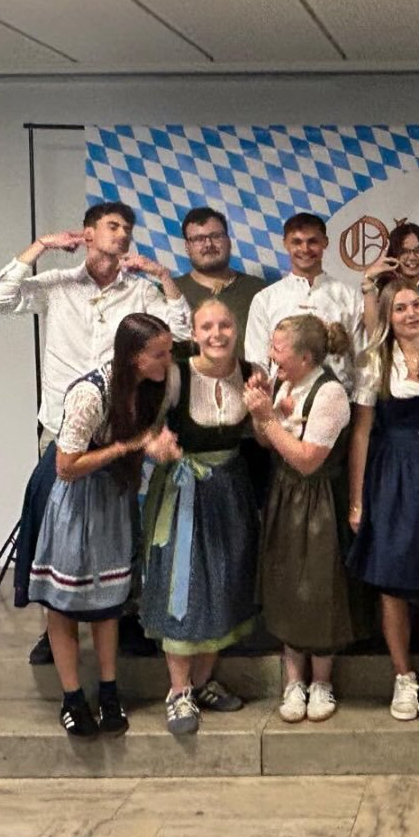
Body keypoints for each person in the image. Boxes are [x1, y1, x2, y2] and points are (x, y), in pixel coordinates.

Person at [0, 200, 191, 664]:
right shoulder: (59, 285)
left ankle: (123, 615)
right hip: (62, 428)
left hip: (121, 429)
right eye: (113, 226)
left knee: (119, 526)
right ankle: (55, 624)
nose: (123, 235)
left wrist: (163, 276)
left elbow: (179, 331)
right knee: (57, 530)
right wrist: (40, 246)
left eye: (128, 229)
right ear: (87, 233)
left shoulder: (139, 291)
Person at [14, 313, 178, 737]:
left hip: (109, 496)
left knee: (108, 601)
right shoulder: (91, 394)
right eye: (159, 354)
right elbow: (66, 465)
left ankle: (108, 691)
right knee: (63, 602)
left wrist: (154, 447)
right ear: (135, 357)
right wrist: (129, 446)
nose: (168, 360)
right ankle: (72, 697)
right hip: (69, 496)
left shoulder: (149, 388)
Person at [140, 299, 261, 735]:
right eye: (207, 326)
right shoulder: (176, 375)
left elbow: (260, 432)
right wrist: (154, 445)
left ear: (236, 328)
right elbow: (143, 424)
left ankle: (204, 681)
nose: (216, 334)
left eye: (224, 325)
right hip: (184, 490)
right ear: (193, 332)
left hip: (230, 489)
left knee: (224, 583)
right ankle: (179, 692)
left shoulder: (251, 373)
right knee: (185, 586)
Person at [347, 279, 419, 720]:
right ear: (387, 316)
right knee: (392, 581)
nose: (410, 313)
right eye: (400, 308)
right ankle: (403, 676)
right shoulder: (374, 361)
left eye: (416, 305)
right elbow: (361, 433)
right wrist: (357, 499)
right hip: (393, 470)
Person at [244, 315, 367, 723]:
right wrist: (262, 412)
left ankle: (322, 682)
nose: (271, 356)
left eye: (278, 349)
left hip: (318, 502)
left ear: (305, 357)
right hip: (285, 495)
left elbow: (307, 460)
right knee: (285, 587)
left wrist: (267, 418)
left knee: (318, 588)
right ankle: (293, 680)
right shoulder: (285, 383)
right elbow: (266, 443)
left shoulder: (329, 393)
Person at [244, 213, 363, 389]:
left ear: (325, 242)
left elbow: (364, 360)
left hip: (341, 398)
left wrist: (363, 405)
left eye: (312, 241)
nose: (305, 249)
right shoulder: (265, 299)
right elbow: (257, 362)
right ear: (285, 244)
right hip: (282, 401)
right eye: (297, 242)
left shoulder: (349, 297)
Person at [173, 206, 268, 355]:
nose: (208, 244)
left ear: (229, 241)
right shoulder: (171, 292)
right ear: (187, 247)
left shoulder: (259, 289)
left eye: (216, 236)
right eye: (198, 239)